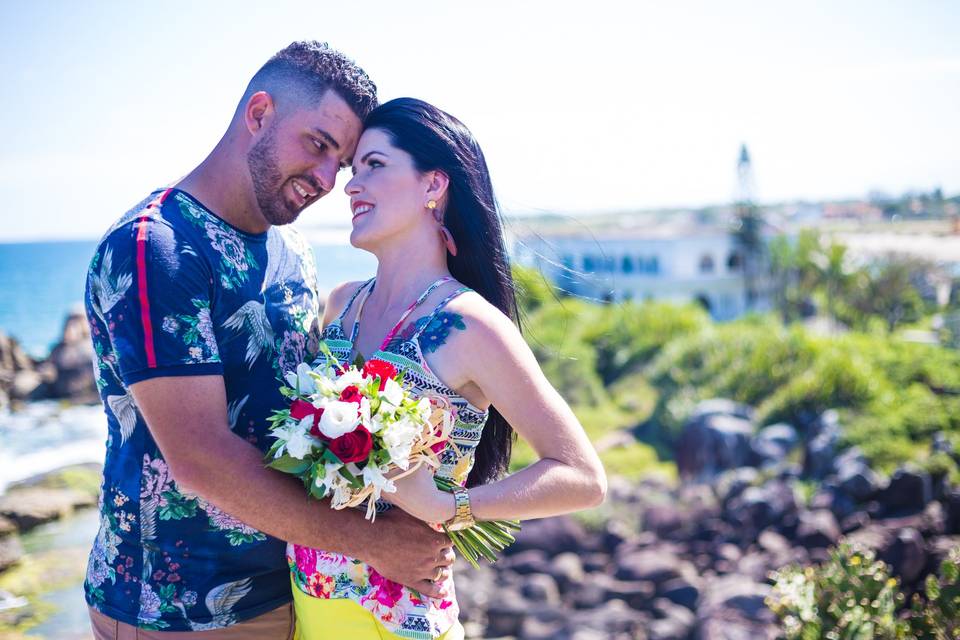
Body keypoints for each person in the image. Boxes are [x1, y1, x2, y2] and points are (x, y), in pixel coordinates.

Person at [83, 42, 457, 638]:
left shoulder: (293, 251)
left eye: (343, 162)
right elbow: (200, 458)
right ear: (258, 113)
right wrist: (377, 543)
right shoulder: (157, 246)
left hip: (291, 589)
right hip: (174, 610)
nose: (327, 179)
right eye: (318, 145)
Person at [289, 98, 608, 639]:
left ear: (433, 185)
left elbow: (582, 477)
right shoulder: (339, 305)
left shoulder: (468, 325)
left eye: (375, 165)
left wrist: (449, 505)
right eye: (352, 169)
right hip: (306, 603)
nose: (350, 185)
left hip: (400, 622)